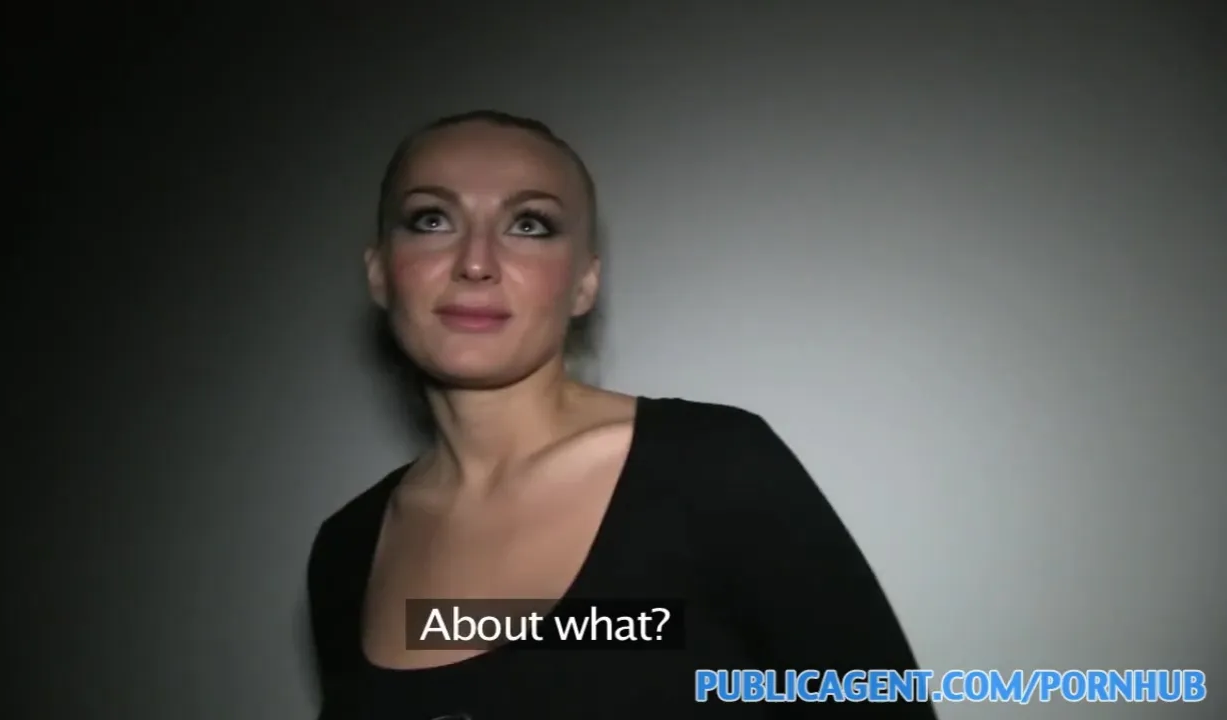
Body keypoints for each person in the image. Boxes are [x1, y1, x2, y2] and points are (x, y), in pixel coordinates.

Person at [307, 109, 936, 719]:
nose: (475, 262)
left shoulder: (711, 470)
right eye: (431, 219)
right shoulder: (347, 549)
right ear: (380, 274)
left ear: (584, 283)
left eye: (529, 225)